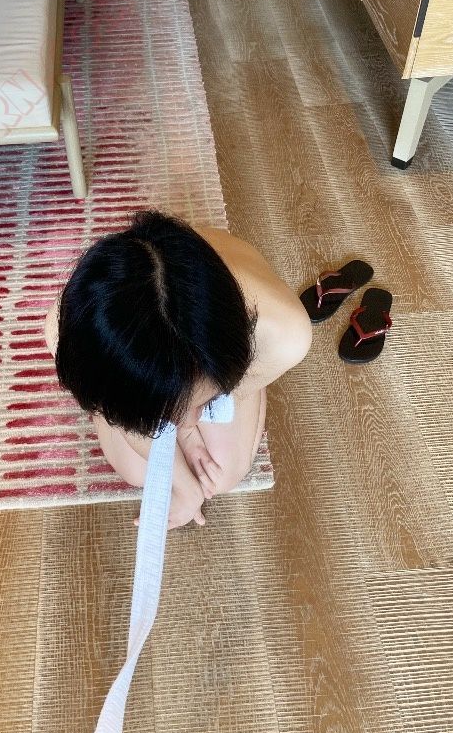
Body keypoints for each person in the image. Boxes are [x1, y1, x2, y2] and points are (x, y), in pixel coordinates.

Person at [44, 210, 312, 530]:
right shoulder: (66, 333)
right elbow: (128, 413)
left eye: (204, 400)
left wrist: (186, 436)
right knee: (136, 471)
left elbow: (224, 392)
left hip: (236, 325)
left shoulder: (284, 335)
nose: (187, 422)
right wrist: (185, 486)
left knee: (223, 474)